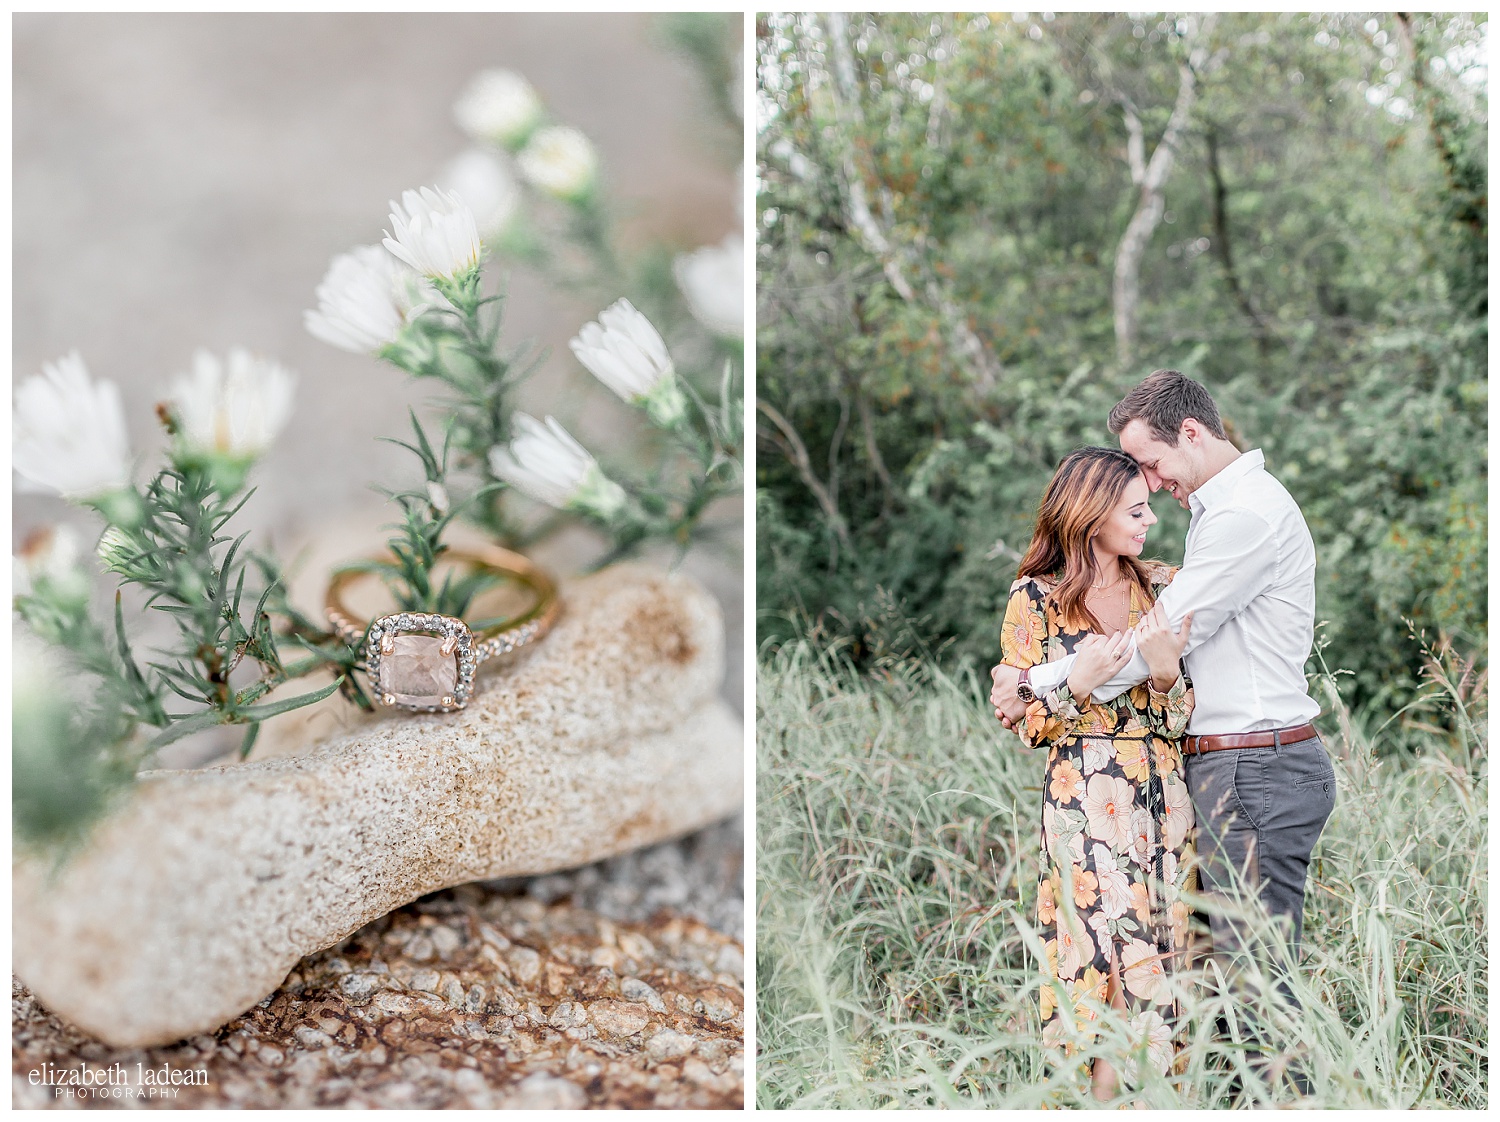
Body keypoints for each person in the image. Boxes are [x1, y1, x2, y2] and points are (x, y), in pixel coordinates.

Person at [991, 371, 1336, 1060]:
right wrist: (1042, 688)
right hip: (1168, 784)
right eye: (1136, 489)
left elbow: (1162, 643)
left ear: (1192, 433)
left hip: (1247, 766)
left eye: (1151, 466)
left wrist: (1035, 679)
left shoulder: (1239, 520)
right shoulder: (1217, 516)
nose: (1153, 489)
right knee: (1219, 978)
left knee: (1248, 979)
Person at [998, 445, 1195, 1098]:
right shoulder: (1035, 599)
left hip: (1160, 795)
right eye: (1136, 511)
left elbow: (1182, 718)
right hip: (1080, 797)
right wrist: (1073, 685)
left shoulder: (1163, 586)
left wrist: (1166, 676)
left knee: (1155, 958)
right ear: (1091, 515)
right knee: (1100, 955)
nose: (1150, 523)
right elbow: (1028, 723)